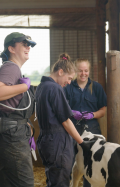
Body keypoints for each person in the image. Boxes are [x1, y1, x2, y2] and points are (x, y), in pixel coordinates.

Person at [0, 32, 37, 187]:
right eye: (24, 44)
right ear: (11, 48)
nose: (28, 47)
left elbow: (8, 108)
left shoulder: (13, 69)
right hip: (11, 140)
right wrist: (24, 86)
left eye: (30, 45)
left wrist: (26, 127)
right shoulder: (11, 68)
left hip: (9, 135)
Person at [35, 53, 89, 187]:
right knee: (60, 182)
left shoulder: (41, 86)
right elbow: (66, 121)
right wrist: (82, 143)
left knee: (53, 179)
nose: (69, 82)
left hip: (46, 140)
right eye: (69, 78)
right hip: (58, 142)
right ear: (60, 72)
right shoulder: (55, 88)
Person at [64, 58, 107, 187]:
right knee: (70, 160)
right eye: (80, 70)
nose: (83, 73)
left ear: (89, 71)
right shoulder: (68, 87)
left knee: (90, 162)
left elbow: (103, 109)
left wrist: (93, 114)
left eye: (86, 70)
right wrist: (71, 112)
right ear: (75, 71)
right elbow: (61, 108)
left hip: (92, 129)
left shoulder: (97, 87)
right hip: (72, 129)